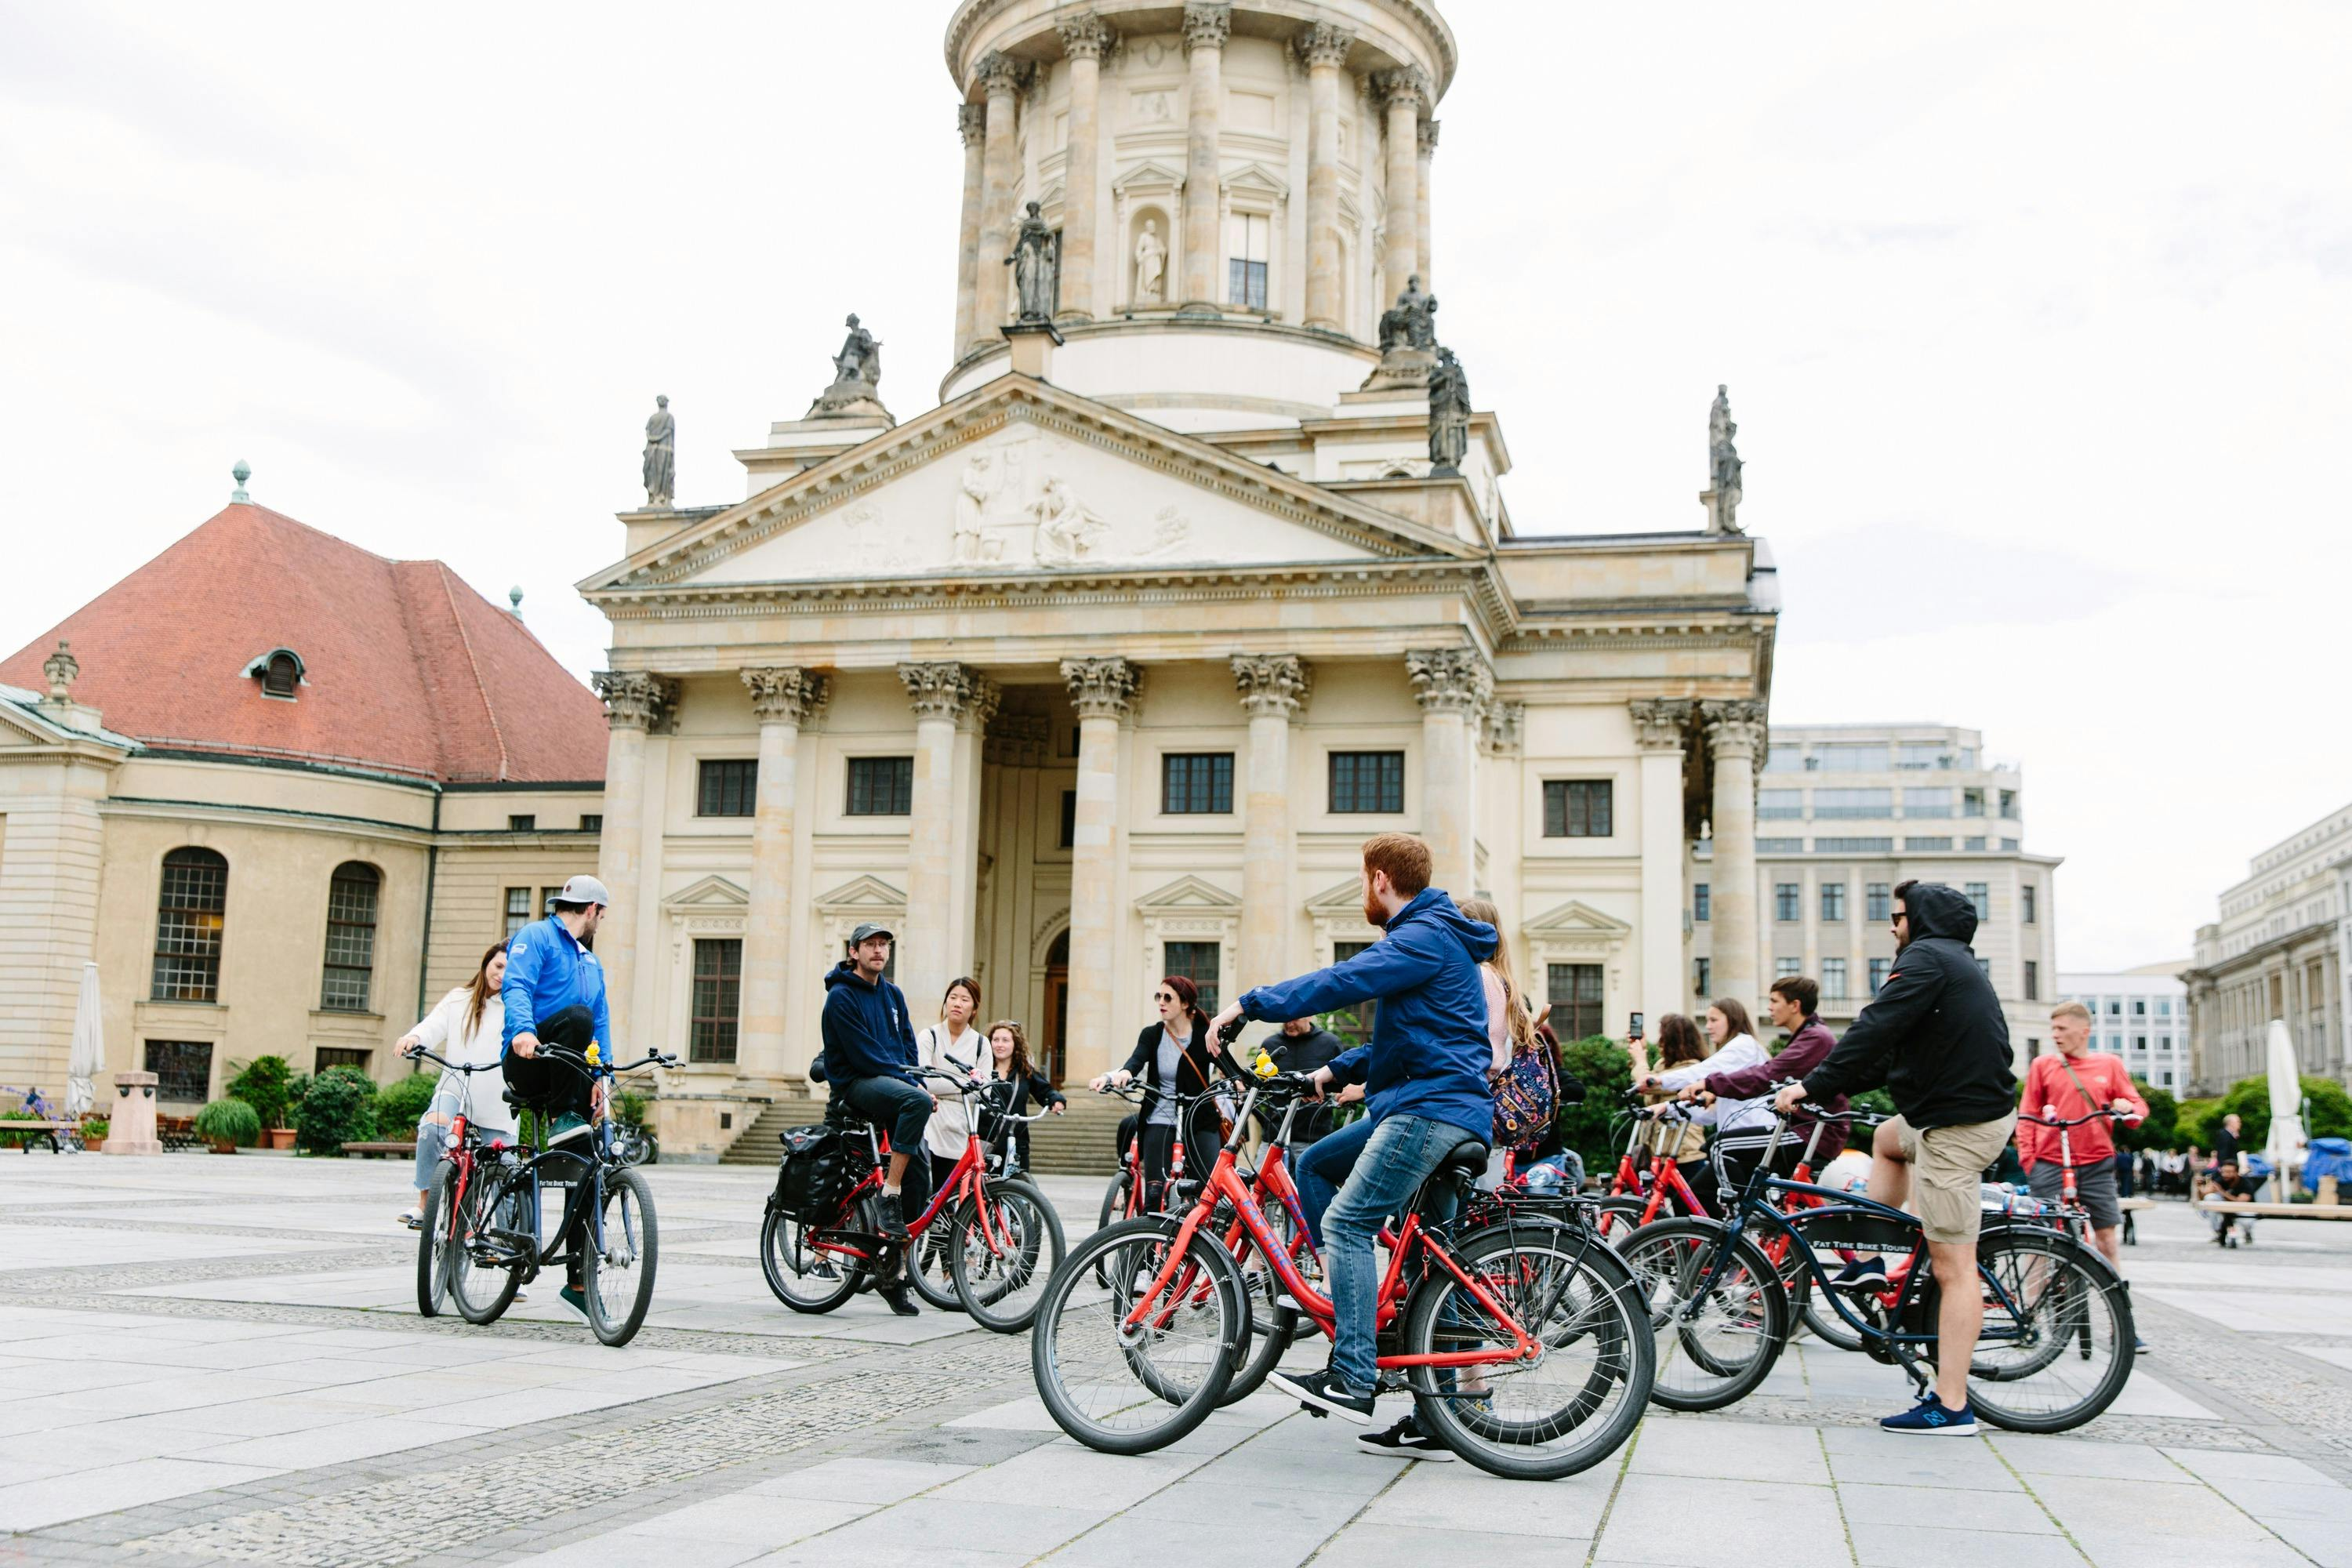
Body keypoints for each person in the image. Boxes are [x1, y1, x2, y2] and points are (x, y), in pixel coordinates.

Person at [1209, 832, 1497, 1427]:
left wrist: (1250, 1004)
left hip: (1430, 1110)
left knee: (1347, 1221)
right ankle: (1444, 1413)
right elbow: (1410, 1038)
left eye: (1363, 877)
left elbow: (1343, 981)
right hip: (1441, 1103)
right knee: (1423, 1255)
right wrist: (1331, 1071)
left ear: (1380, 880)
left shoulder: (1420, 936)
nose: (1364, 887)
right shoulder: (1433, 936)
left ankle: (1353, 1373)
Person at [1776, 880, 2017, 1436]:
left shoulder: (1927, 959)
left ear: (1922, 920)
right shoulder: (1951, 962)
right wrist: (1831, 1087)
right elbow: (1889, 1058)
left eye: (1899, 916)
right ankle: (1876, 1259)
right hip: (1947, 1111)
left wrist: (1811, 1088)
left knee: (1955, 1268)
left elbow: (1873, 1029)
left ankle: (1951, 1404)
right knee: (1888, 1139)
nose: (1892, 926)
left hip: (1958, 1127)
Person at [499, 874, 617, 1319]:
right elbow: (517, 987)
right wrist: (524, 1030)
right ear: (591, 910)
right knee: (577, 1016)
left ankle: (579, 1282)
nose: (599, 924)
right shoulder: (537, 936)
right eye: (601, 917)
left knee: (593, 1171)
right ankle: (563, 1117)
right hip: (529, 1061)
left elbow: (601, 1025)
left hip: (570, 1076)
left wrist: (602, 1078)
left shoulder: (591, 962)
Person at [818, 921, 935, 1317]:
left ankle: (892, 1270)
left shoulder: (893, 994)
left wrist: (914, 1079)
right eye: (870, 944)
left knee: (922, 1175)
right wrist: (913, 1089)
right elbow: (866, 1057)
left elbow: (907, 1047)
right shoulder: (840, 998)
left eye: (884, 944)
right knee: (916, 1104)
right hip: (857, 1084)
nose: (878, 950)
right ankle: (889, 1192)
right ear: (854, 952)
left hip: (890, 1084)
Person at [2020, 1002, 2148, 1330]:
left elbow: (2137, 1107)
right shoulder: (2043, 1065)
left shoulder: (2110, 1064)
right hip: (2050, 1163)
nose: (2055, 1035)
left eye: (2061, 1029)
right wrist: (2029, 1161)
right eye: (2053, 1029)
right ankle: (2028, 1318)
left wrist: (2126, 1106)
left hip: (2095, 1164)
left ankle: (2123, 1324)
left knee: (2106, 1239)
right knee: (2039, 1241)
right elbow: (2028, 1115)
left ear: (2083, 1031)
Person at [1679, 975, 1849, 1214]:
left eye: (1774, 1001)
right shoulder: (1808, 1035)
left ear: (1795, 1005)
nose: (1769, 1007)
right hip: (1804, 1128)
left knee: (1720, 1146)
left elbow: (1766, 1075)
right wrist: (1714, 1094)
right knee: (1719, 1161)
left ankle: (1744, 1223)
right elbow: (1774, 1081)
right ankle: (1757, 1219)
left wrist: (1709, 1083)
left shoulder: (1815, 1038)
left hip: (1812, 1132)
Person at [396, 942, 515, 1231]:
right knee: (432, 1129)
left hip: (497, 1101)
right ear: (486, 963)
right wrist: (413, 1037)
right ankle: (426, 1204)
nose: (501, 975)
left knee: (509, 1172)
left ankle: (506, 1237)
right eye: (498, 966)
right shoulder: (459, 999)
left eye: (509, 971)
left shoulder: (518, 1006)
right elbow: (432, 1026)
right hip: (456, 1088)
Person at [1090, 975, 1232, 1210]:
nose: (1161, 1002)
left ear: (1185, 1004)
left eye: (1168, 997)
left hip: (1199, 1117)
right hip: (1160, 1116)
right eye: (1159, 997)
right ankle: (1144, 1245)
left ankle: (1199, 1242)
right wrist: (1118, 1075)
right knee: (1155, 1192)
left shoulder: (1205, 1034)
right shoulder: (1152, 1034)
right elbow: (1135, 1061)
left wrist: (1242, 1082)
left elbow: (1228, 1066)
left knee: (1207, 1189)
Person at [915, 977, 989, 1200]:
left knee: (951, 1197)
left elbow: (984, 1091)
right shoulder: (930, 1036)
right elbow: (925, 1080)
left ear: (974, 1008)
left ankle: (944, 1236)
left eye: (965, 999)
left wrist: (945, 1080)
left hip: (961, 1123)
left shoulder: (980, 1043)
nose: (957, 1003)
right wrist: (966, 1082)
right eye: (953, 998)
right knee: (923, 1188)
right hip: (930, 1118)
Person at [979, 1020, 1064, 1172]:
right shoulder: (982, 1069)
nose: (1000, 1045)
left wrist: (1056, 1100)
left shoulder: (1024, 1072)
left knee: (1021, 1189)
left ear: (1015, 1044)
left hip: (1016, 1141)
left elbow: (1045, 1090)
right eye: (995, 1040)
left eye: (1005, 1040)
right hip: (985, 1141)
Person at [2207, 1156, 2259, 1247]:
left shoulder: (2245, 1183)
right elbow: (2205, 1194)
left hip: (2244, 1209)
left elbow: (2241, 1201)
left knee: (2247, 1222)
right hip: (2226, 1209)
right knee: (2210, 1198)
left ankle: (2247, 1232)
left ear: (2236, 1172)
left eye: (2229, 1172)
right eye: (2223, 1172)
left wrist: (2222, 1192)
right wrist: (2199, 1188)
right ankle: (2218, 1232)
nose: (2225, 1175)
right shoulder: (2221, 1180)